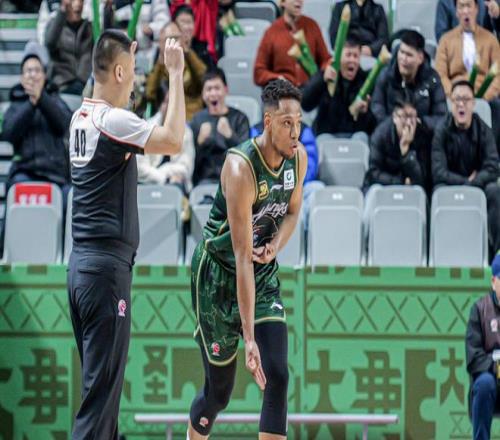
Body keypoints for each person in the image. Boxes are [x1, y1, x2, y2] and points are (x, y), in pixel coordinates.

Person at [67, 29, 185, 438]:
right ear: (118, 72)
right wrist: (174, 74)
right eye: (132, 70)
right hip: (105, 274)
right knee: (99, 405)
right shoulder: (111, 121)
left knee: (103, 399)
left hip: (82, 269)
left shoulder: (80, 117)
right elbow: (173, 140)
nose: (136, 79)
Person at [187, 79, 307, 440]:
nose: (295, 133)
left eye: (299, 122)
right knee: (218, 394)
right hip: (219, 275)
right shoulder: (241, 167)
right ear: (268, 122)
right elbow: (241, 258)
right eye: (287, 123)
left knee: (277, 374)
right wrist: (249, 337)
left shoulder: (297, 158)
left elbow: (292, 212)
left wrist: (276, 245)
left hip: (262, 269)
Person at [432, 80, 500, 256]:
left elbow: (493, 167)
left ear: (473, 104)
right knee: (437, 191)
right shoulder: (441, 130)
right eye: (457, 100)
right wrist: (464, 182)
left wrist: (474, 183)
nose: (461, 104)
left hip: (478, 184)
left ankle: (496, 252)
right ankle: (440, 252)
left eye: (466, 99)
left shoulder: (484, 130)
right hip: (450, 184)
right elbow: (438, 171)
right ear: (451, 103)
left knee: (494, 191)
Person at [2, 41, 72, 200]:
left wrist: (41, 99)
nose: (32, 75)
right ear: (22, 78)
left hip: (56, 175)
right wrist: (31, 104)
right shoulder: (16, 104)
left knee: (69, 196)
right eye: (28, 71)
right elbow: (9, 133)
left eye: (37, 70)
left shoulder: (55, 99)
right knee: (15, 190)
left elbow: (64, 125)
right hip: (24, 172)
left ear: (45, 76)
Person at [435, 0, 500, 143]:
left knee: (497, 106)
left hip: (483, 93)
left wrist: (486, 96)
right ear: (456, 12)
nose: (465, 11)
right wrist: (452, 93)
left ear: (477, 9)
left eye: (469, 6)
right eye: (461, 7)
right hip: (454, 92)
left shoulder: (490, 40)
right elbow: (441, 73)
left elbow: (498, 74)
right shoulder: (446, 40)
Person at [371, 30, 447, 134]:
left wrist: (419, 123)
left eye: (409, 55)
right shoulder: (386, 75)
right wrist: (394, 125)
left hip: (422, 135)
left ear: (420, 58)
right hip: (389, 135)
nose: (403, 59)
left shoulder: (432, 79)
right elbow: (377, 107)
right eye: (401, 52)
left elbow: (441, 116)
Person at [301, 35, 376, 141]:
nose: (352, 60)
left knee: (361, 138)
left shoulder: (366, 81)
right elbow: (305, 104)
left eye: (355, 56)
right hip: (327, 134)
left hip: (353, 135)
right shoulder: (325, 75)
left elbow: (373, 125)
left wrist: (365, 112)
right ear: (339, 56)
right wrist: (322, 80)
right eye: (348, 55)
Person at [364, 91, 432, 196]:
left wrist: (406, 154)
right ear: (395, 118)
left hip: (412, 190)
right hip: (385, 187)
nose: (408, 123)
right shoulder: (380, 135)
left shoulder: (423, 135)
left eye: (412, 117)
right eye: (404, 116)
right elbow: (374, 173)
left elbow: (422, 178)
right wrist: (400, 182)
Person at [191, 68, 249, 186]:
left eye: (217, 88)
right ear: (203, 94)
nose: (213, 94)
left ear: (226, 90)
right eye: (209, 89)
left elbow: (247, 158)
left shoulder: (240, 118)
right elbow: (190, 164)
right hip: (205, 180)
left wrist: (230, 136)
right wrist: (200, 143)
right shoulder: (197, 120)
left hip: (234, 179)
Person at [254, 0, 331, 87]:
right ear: (282, 2)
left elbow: (326, 60)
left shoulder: (312, 26)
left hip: (311, 88)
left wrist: (327, 69)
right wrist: (277, 78)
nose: (299, 1)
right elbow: (258, 72)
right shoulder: (271, 32)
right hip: (284, 89)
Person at [466, 252, 500, 440]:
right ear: (493, 281)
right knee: (484, 384)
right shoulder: (479, 309)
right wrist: (496, 367)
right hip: (490, 379)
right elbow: (473, 358)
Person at [137, 85, 195, 193]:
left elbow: (186, 168)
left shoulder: (186, 131)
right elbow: (140, 168)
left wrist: (166, 170)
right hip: (149, 182)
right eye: (167, 101)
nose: (171, 107)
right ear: (160, 105)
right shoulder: (146, 128)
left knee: (176, 187)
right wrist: (163, 178)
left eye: (174, 102)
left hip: (175, 183)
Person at [146, 21, 206, 120]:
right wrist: (161, 59)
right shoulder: (159, 66)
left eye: (176, 38)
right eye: (169, 39)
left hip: (192, 115)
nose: (173, 43)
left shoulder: (191, 60)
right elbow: (149, 93)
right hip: (168, 117)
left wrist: (187, 52)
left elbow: (204, 78)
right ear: (161, 42)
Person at [44, 0, 93, 95]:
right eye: (73, 0)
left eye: (81, 1)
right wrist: (62, 11)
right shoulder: (56, 25)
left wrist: (107, 10)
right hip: (62, 85)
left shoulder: (88, 27)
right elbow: (50, 43)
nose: (78, 4)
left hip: (85, 85)